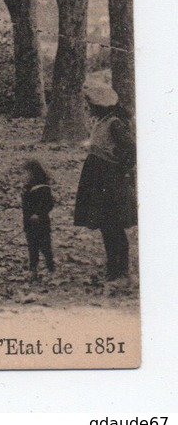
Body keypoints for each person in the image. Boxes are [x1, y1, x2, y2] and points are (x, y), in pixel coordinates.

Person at [74, 80, 137, 286]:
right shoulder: (102, 121)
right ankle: (112, 271)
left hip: (110, 181)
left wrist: (118, 167)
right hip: (98, 180)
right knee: (105, 225)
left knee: (113, 225)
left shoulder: (114, 123)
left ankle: (122, 273)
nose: (89, 107)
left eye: (90, 104)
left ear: (99, 104)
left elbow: (130, 150)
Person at [21, 159, 55, 279]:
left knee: (45, 247)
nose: (25, 176)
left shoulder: (43, 188)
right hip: (29, 225)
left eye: (27, 173)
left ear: (34, 173)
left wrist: (39, 214)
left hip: (42, 224)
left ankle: (50, 267)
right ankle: (33, 269)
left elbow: (49, 204)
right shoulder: (27, 189)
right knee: (32, 247)